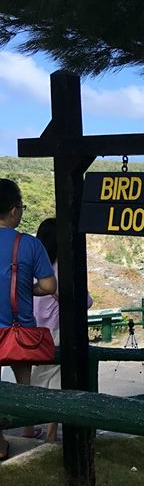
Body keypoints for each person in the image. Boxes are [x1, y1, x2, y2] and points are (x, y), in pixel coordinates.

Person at [0, 179, 57, 459]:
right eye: (21, 207)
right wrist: (26, 287)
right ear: (13, 211)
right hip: (19, 331)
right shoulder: (29, 245)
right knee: (25, 385)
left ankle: (0, 443)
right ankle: (29, 427)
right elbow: (48, 287)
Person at [29, 218, 93, 443]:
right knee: (56, 382)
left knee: (34, 380)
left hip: (32, 330)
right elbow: (85, 302)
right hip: (57, 331)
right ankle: (51, 434)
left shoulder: (33, 265)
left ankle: (28, 426)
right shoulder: (62, 268)